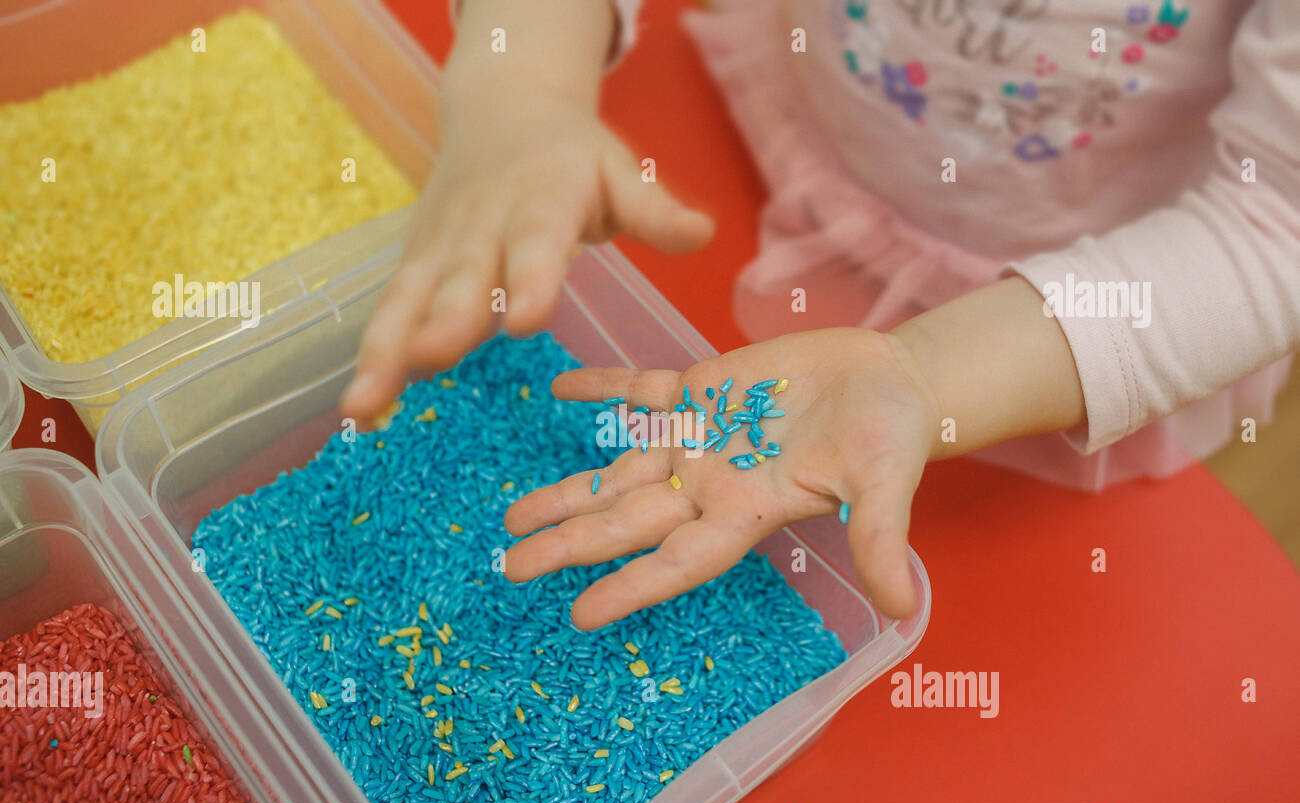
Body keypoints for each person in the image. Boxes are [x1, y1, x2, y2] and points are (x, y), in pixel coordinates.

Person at [340, 0, 1300, 629]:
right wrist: (523, 86)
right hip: (804, 124)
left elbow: (1276, 224)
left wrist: (928, 372)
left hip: (1065, 325)